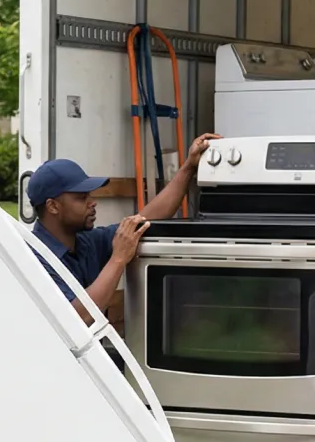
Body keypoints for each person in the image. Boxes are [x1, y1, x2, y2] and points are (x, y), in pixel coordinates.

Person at [29, 132, 221, 319]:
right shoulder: (33, 258)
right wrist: (118, 259)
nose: (92, 202)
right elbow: (77, 319)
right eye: (81, 198)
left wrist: (189, 167)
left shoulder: (86, 241)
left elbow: (148, 218)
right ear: (53, 206)